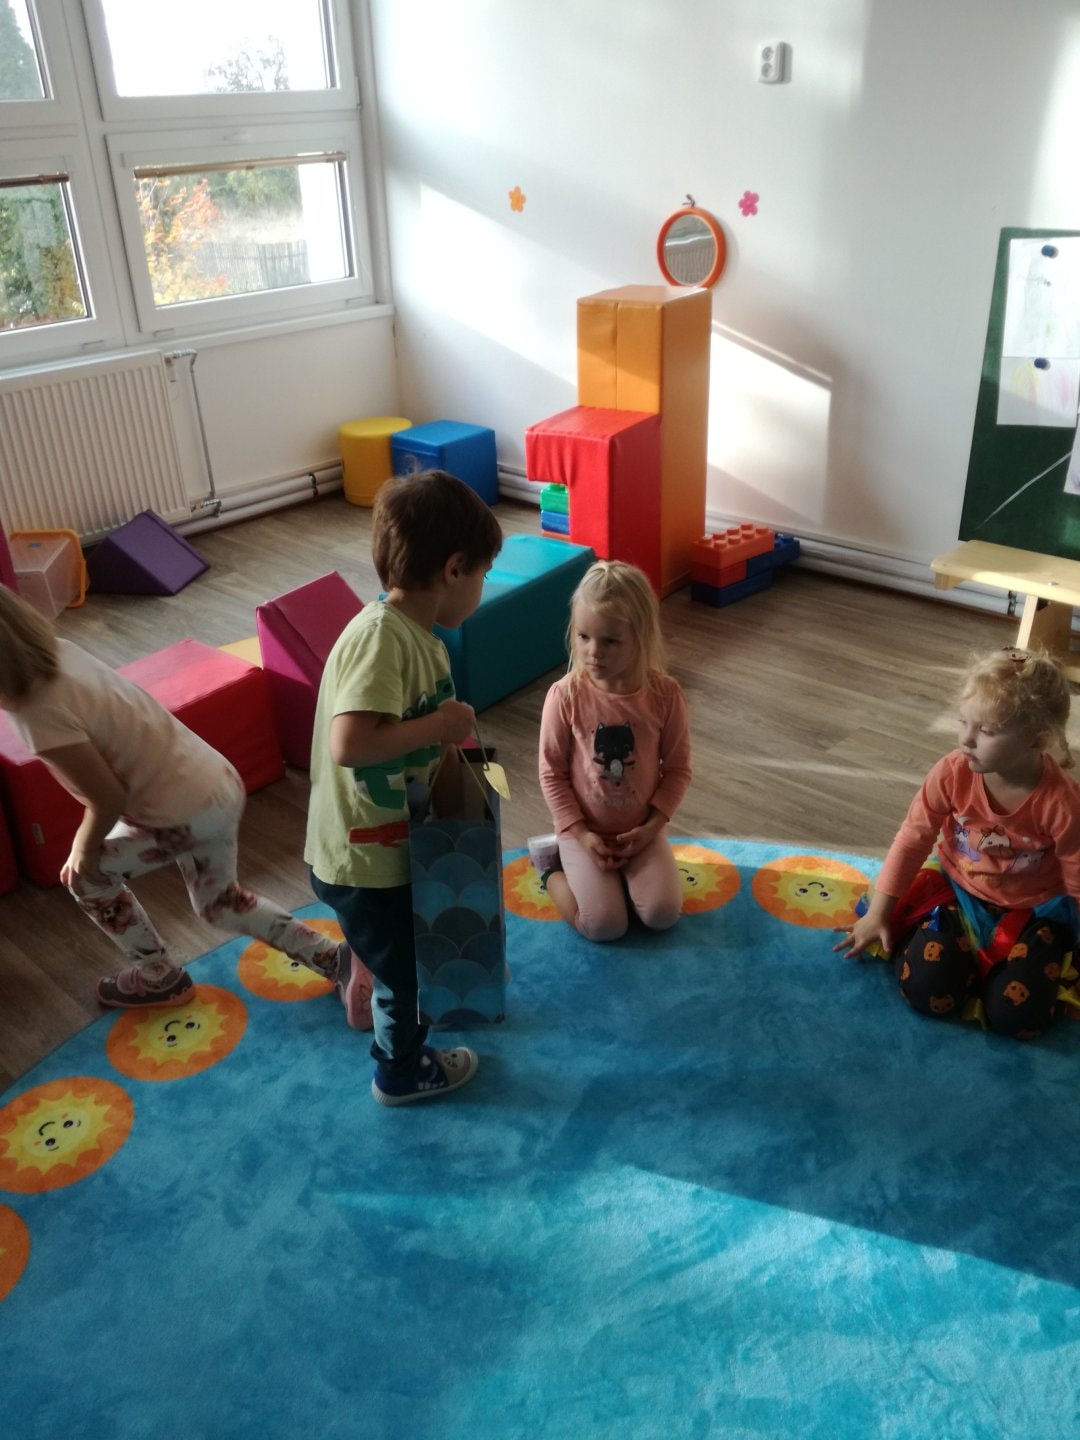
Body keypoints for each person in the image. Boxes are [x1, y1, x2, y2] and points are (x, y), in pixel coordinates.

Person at [0, 583, 342, 1008]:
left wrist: (81, 850)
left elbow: (106, 798)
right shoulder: (61, 651)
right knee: (220, 904)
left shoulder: (37, 714)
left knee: (85, 878)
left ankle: (158, 976)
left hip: (181, 816)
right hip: (214, 781)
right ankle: (333, 958)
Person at [305, 469, 503, 1106]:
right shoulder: (380, 638)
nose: (483, 586)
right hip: (364, 857)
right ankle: (398, 1070)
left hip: (389, 842)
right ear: (454, 568)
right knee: (408, 972)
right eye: (484, 573)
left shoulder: (417, 638)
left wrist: (450, 748)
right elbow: (350, 743)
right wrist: (440, 724)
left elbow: (402, 736)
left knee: (396, 942)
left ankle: (363, 967)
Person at [835, 646, 1080, 1038]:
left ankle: (988, 975)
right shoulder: (952, 772)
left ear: (1037, 740)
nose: (966, 739)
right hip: (956, 890)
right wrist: (879, 913)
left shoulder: (1061, 802)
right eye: (963, 721)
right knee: (925, 989)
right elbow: (912, 839)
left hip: (1034, 911)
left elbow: (1077, 874)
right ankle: (958, 961)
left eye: (987, 731)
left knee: (1016, 1017)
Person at [534, 559, 691, 942]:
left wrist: (651, 828)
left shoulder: (665, 696)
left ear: (641, 637)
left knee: (662, 914)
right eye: (584, 637)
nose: (593, 652)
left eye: (610, 641)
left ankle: (618, 882)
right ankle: (549, 868)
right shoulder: (565, 696)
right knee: (605, 926)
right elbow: (551, 773)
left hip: (641, 832)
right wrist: (582, 835)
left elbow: (677, 770)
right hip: (582, 833)